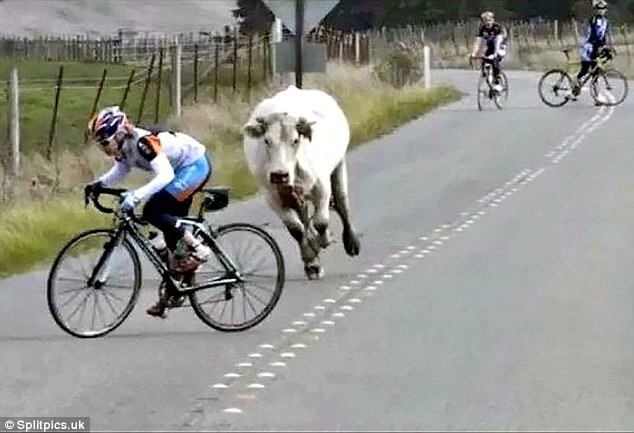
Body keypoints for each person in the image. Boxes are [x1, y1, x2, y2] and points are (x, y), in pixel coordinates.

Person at [85, 106, 213, 318]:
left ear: (118, 133)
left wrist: (136, 196)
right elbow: (122, 169)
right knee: (171, 235)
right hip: (179, 172)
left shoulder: (143, 142)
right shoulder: (124, 146)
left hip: (194, 166)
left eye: (105, 142)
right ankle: (177, 288)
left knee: (153, 210)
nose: (104, 148)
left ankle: (200, 250)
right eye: (100, 144)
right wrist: (98, 184)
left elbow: (165, 175)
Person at [570, 0, 611, 100]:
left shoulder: (606, 21)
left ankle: (596, 96)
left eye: (603, 9)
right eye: (599, 9)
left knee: (595, 72)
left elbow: (604, 36)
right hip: (589, 47)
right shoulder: (593, 20)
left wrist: (606, 47)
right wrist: (601, 45)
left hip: (597, 47)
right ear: (595, 10)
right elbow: (594, 35)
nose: (601, 11)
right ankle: (575, 84)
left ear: (606, 10)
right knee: (585, 69)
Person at [470, 11, 508, 93]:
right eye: (485, 21)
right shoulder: (482, 29)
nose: (487, 23)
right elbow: (478, 41)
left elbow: (498, 41)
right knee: (485, 61)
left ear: (493, 20)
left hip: (500, 46)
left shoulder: (497, 28)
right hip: (491, 47)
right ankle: (488, 80)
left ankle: (497, 82)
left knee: (494, 60)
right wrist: (474, 53)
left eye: (489, 20)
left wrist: (495, 54)